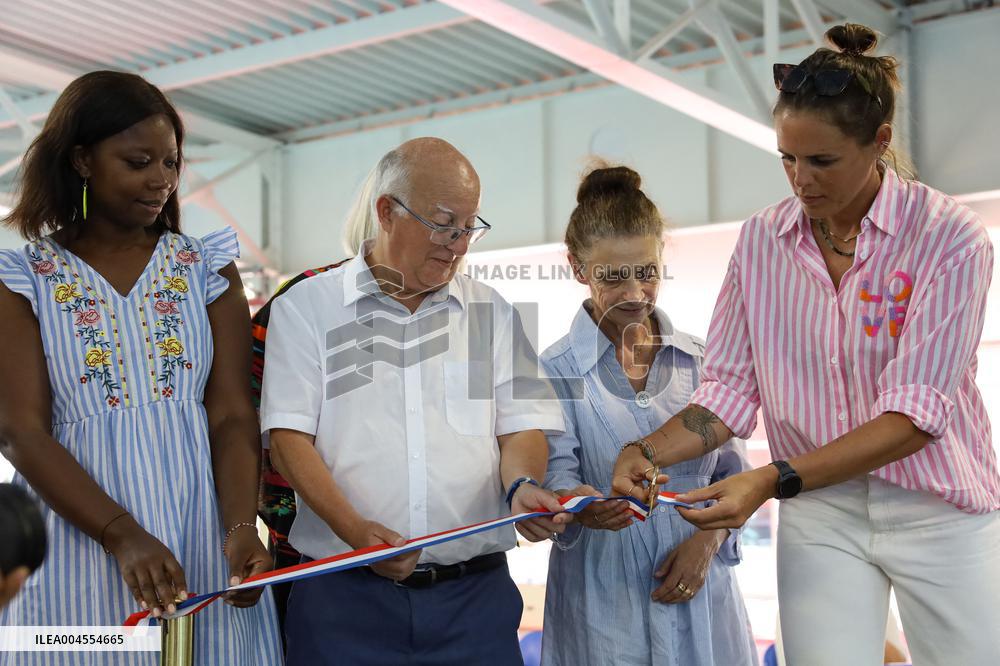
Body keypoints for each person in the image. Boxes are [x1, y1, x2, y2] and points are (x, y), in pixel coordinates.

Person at [611, 23, 1000, 665]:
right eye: (787, 158)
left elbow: (915, 417)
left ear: (879, 143)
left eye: (821, 161)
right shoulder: (762, 241)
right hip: (822, 513)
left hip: (939, 509)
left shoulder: (950, 239)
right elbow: (729, 394)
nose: (800, 179)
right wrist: (646, 450)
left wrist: (770, 479)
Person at [0, 71, 281, 665]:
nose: (161, 180)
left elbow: (231, 413)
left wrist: (238, 531)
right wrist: (121, 534)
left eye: (172, 163)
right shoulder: (24, 278)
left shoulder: (205, 268)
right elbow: (20, 431)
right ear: (81, 160)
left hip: (200, 539)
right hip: (79, 541)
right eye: (138, 162)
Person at [260, 137, 568, 665]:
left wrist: (521, 486)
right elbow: (289, 440)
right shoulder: (308, 307)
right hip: (343, 601)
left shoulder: (489, 313)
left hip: (475, 604)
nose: (459, 244)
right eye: (444, 223)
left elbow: (520, 428)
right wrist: (356, 532)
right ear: (387, 211)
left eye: (470, 227)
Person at [540, 165, 757, 666]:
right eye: (613, 277)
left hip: (703, 597)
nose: (635, 292)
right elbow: (556, 482)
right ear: (577, 267)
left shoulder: (705, 364)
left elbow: (736, 483)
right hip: (603, 607)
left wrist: (707, 540)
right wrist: (582, 508)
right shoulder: (550, 374)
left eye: (647, 272)